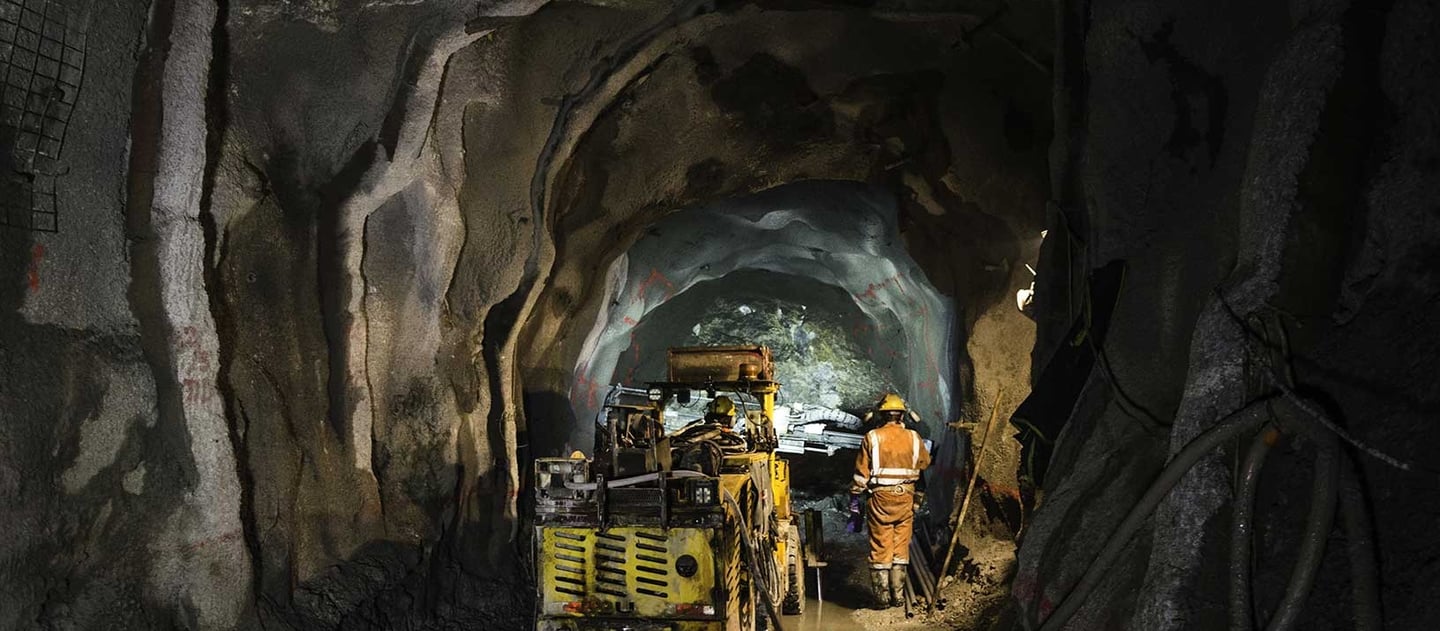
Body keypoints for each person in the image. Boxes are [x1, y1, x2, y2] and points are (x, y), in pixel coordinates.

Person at [849, 392, 932, 608]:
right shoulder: (914, 437)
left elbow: (861, 475)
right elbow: (925, 463)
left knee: (880, 543)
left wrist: (855, 498)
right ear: (902, 416)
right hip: (906, 496)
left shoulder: (872, 437)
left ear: (882, 415)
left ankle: (882, 598)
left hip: (880, 498)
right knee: (901, 543)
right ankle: (898, 596)